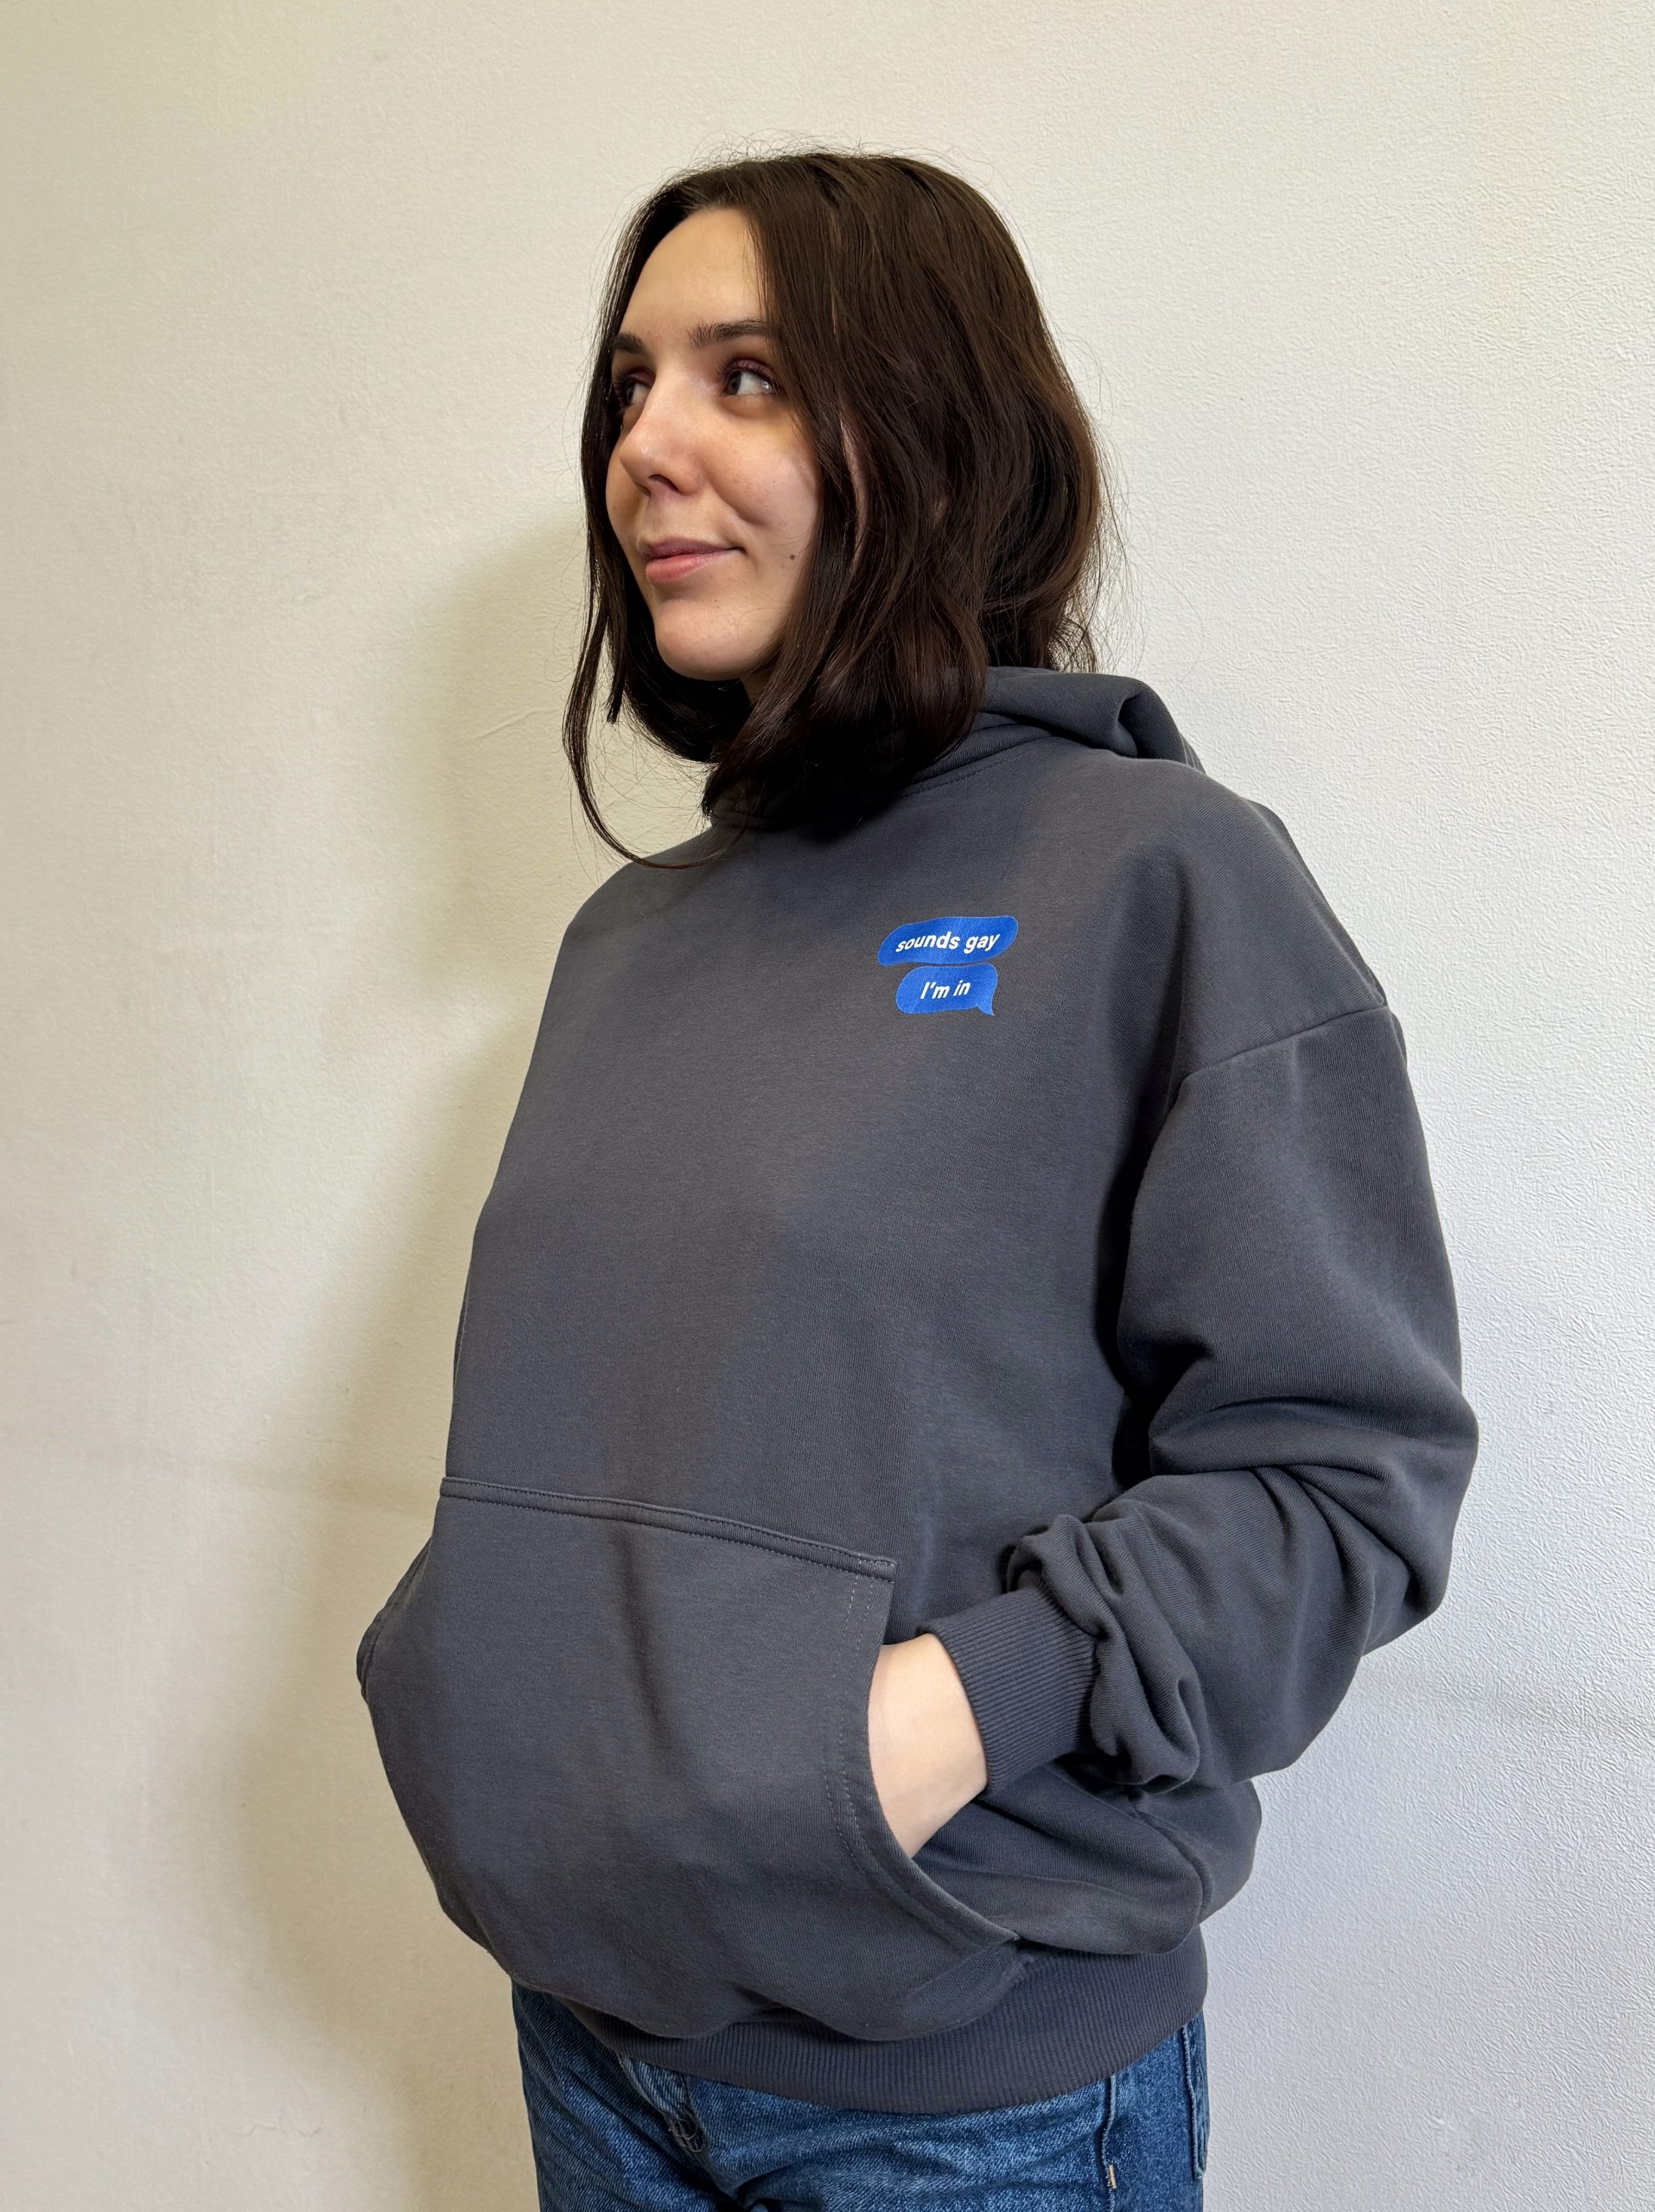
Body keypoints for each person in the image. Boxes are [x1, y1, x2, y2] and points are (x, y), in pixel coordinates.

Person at [354, 149, 1480, 2209]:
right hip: (595, 2038)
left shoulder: (1164, 880)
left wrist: (935, 1715)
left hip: (969, 2094)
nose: (646, 444)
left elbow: (1344, 1482)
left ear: (935, 428)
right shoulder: (636, 935)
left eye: (748, 374)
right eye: (629, 384)